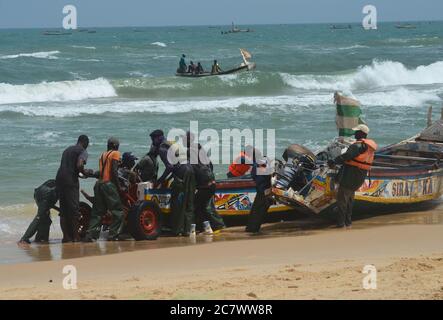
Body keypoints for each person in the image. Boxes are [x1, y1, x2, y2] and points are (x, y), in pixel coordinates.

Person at [328, 124, 377, 228]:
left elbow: (346, 156)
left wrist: (333, 161)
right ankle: (348, 222)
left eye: (357, 131)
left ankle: (341, 223)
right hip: (360, 176)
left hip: (350, 175)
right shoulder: (368, 147)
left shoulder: (357, 146)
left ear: (362, 133)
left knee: (342, 200)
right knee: (350, 199)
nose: (355, 133)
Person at [149, 129, 196, 236]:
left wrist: (160, 181)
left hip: (181, 174)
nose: (152, 142)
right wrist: (168, 179)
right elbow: (176, 164)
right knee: (189, 201)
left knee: (178, 203)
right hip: (190, 171)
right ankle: (188, 229)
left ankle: (177, 230)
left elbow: (170, 167)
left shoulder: (162, 148)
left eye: (153, 139)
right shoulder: (172, 143)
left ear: (159, 138)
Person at [83, 137, 125, 242]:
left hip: (99, 184)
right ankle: (113, 234)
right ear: (115, 146)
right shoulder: (115, 153)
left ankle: (91, 234)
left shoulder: (103, 155)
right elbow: (114, 171)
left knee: (97, 212)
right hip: (108, 184)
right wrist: (118, 186)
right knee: (118, 211)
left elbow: (102, 171)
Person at [56, 135, 93, 243]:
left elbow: (68, 166)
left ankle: (66, 237)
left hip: (59, 179)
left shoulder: (67, 150)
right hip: (70, 180)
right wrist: (85, 172)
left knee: (63, 210)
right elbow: (79, 164)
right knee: (74, 210)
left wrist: (79, 173)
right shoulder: (83, 151)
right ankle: (76, 237)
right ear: (85, 143)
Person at [184, 132, 225, 232]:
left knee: (199, 207)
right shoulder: (199, 148)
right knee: (205, 206)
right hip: (211, 181)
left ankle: (210, 227)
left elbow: (190, 169)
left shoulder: (190, 151)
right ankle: (211, 226)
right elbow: (210, 164)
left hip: (204, 185)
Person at [19, 179, 59, 244]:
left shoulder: (60, 182)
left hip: (38, 192)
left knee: (45, 218)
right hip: (47, 194)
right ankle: (24, 239)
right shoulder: (66, 187)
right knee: (40, 217)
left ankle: (41, 238)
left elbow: (50, 204)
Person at [245, 157, 273, 233]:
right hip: (264, 191)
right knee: (258, 211)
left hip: (262, 191)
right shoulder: (259, 165)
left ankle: (252, 229)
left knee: (257, 210)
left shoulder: (257, 165)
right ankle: (252, 228)